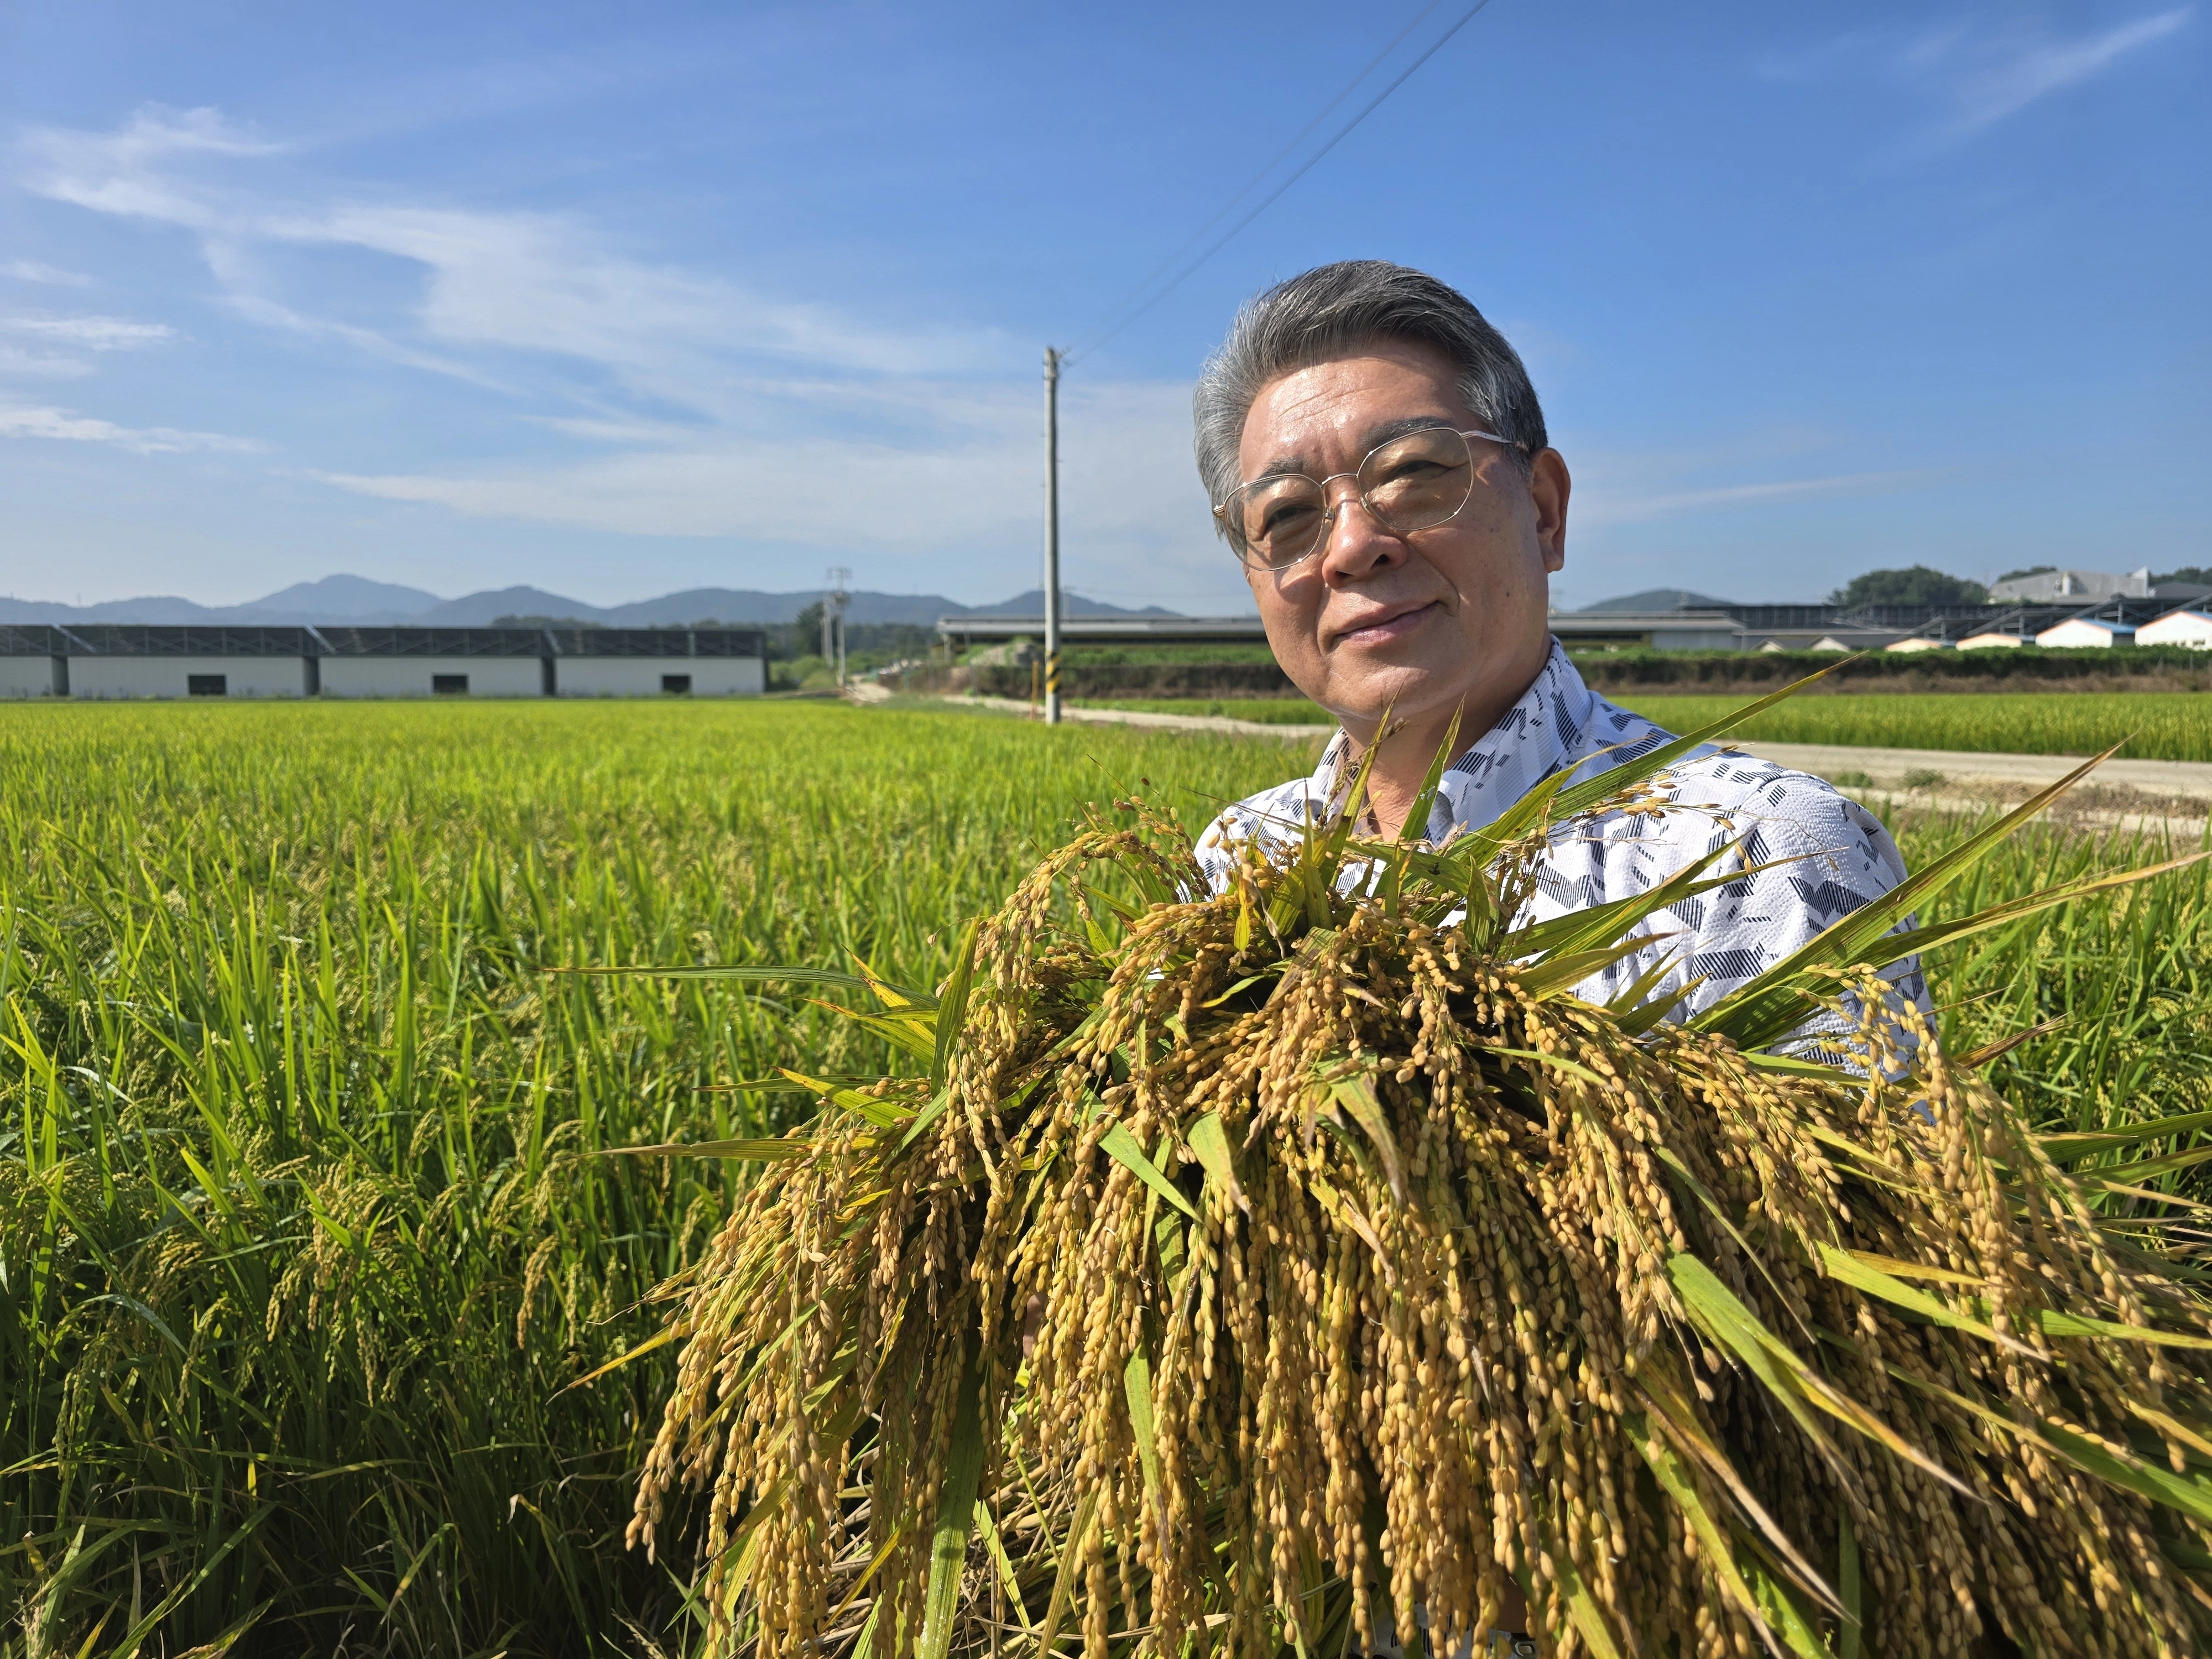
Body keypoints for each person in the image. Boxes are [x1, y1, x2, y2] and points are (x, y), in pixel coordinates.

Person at [1191, 260, 1923, 1039]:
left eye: (1411, 473)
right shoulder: (1240, 861)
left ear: (1544, 511)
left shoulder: (1761, 855)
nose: (1350, 546)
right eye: (1288, 517)